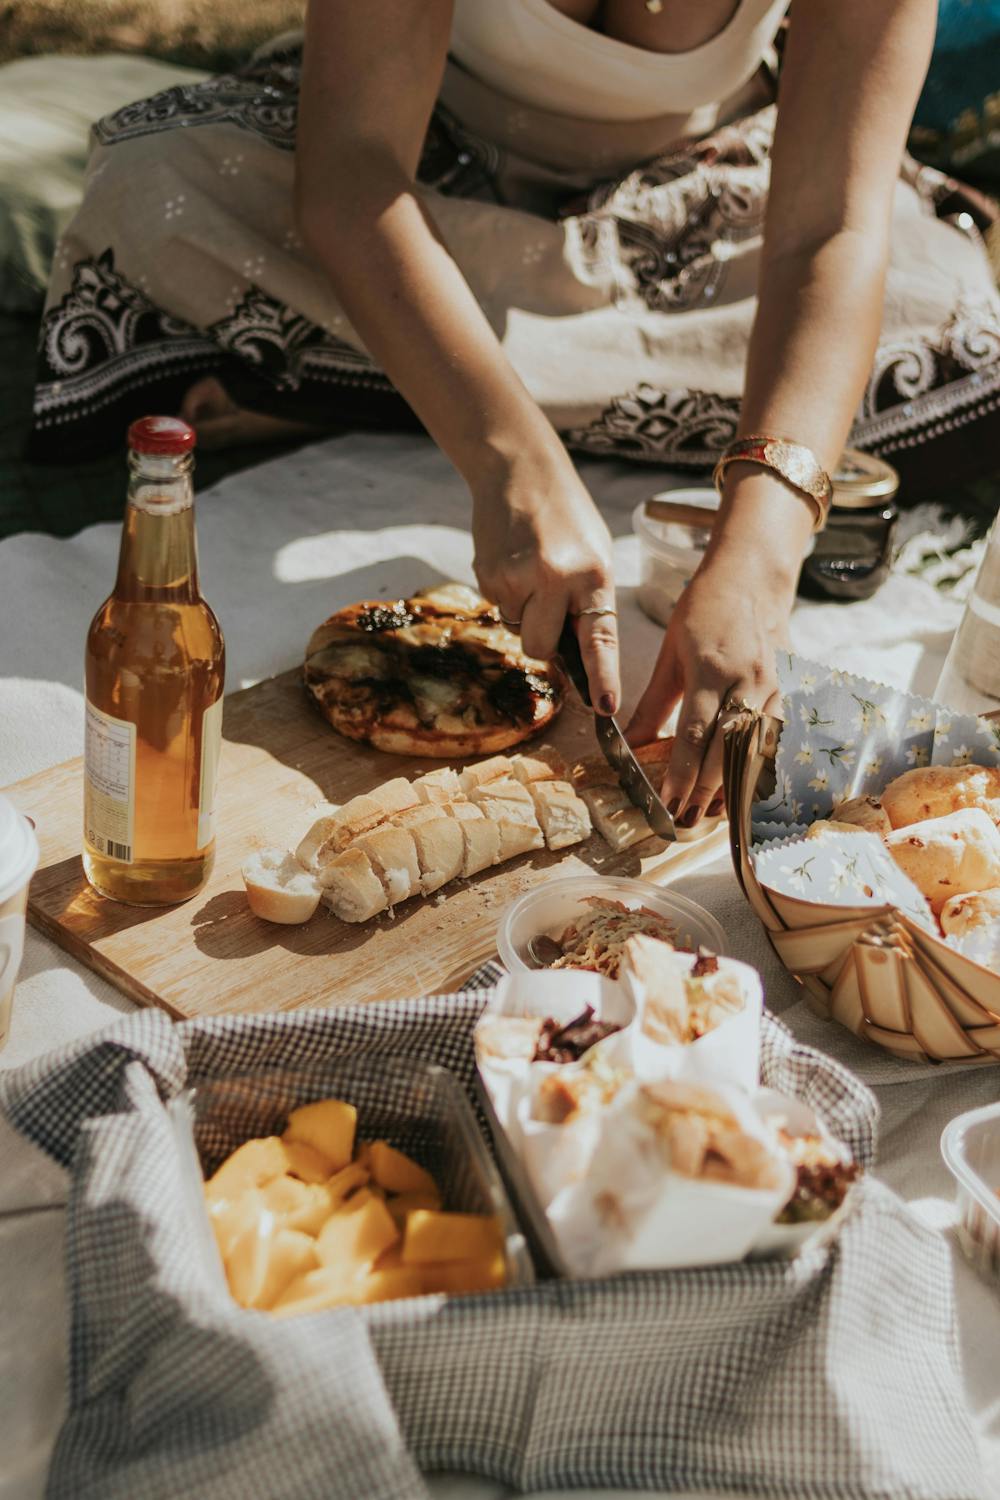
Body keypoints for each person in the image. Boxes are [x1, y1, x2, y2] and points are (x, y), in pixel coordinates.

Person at [32, 1, 1000, 827]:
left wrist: (756, 558)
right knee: (153, 180)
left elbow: (828, 229)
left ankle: (377, 374)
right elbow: (351, 176)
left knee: (956, 319)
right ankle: (549, 393)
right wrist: (509, 462)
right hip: (425, 185)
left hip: (689, 205)